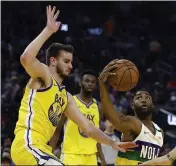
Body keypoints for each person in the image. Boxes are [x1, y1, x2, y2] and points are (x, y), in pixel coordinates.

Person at [10, 6, 137, 166]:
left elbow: (88, 129)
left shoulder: (66, 97)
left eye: (71, 61)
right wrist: (48, 30)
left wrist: (112, 143)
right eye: (66, 61)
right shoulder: (43, 76)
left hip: (42, 149)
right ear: (53, 61)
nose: (71, 65)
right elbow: (25, 58)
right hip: (27, 144)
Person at [98, 59, 164, 165]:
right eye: (138, 97)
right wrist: (102, 84)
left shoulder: (160, 132)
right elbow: (110, 114)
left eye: (147, 98)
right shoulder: (131, 123)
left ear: (153, 105)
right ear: (132, 105)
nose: (143, 99)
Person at [55, 70, 106, 165]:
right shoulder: (69, 102)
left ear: (96, 85)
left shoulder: (99, 107)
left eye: (93, 82)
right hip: (71, 156)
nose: (90, 84)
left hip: (91, 157)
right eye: (87, 81)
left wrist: (102, 159)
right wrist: (50, 153)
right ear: (80, 83)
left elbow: (97, 135)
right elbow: (57, 129)